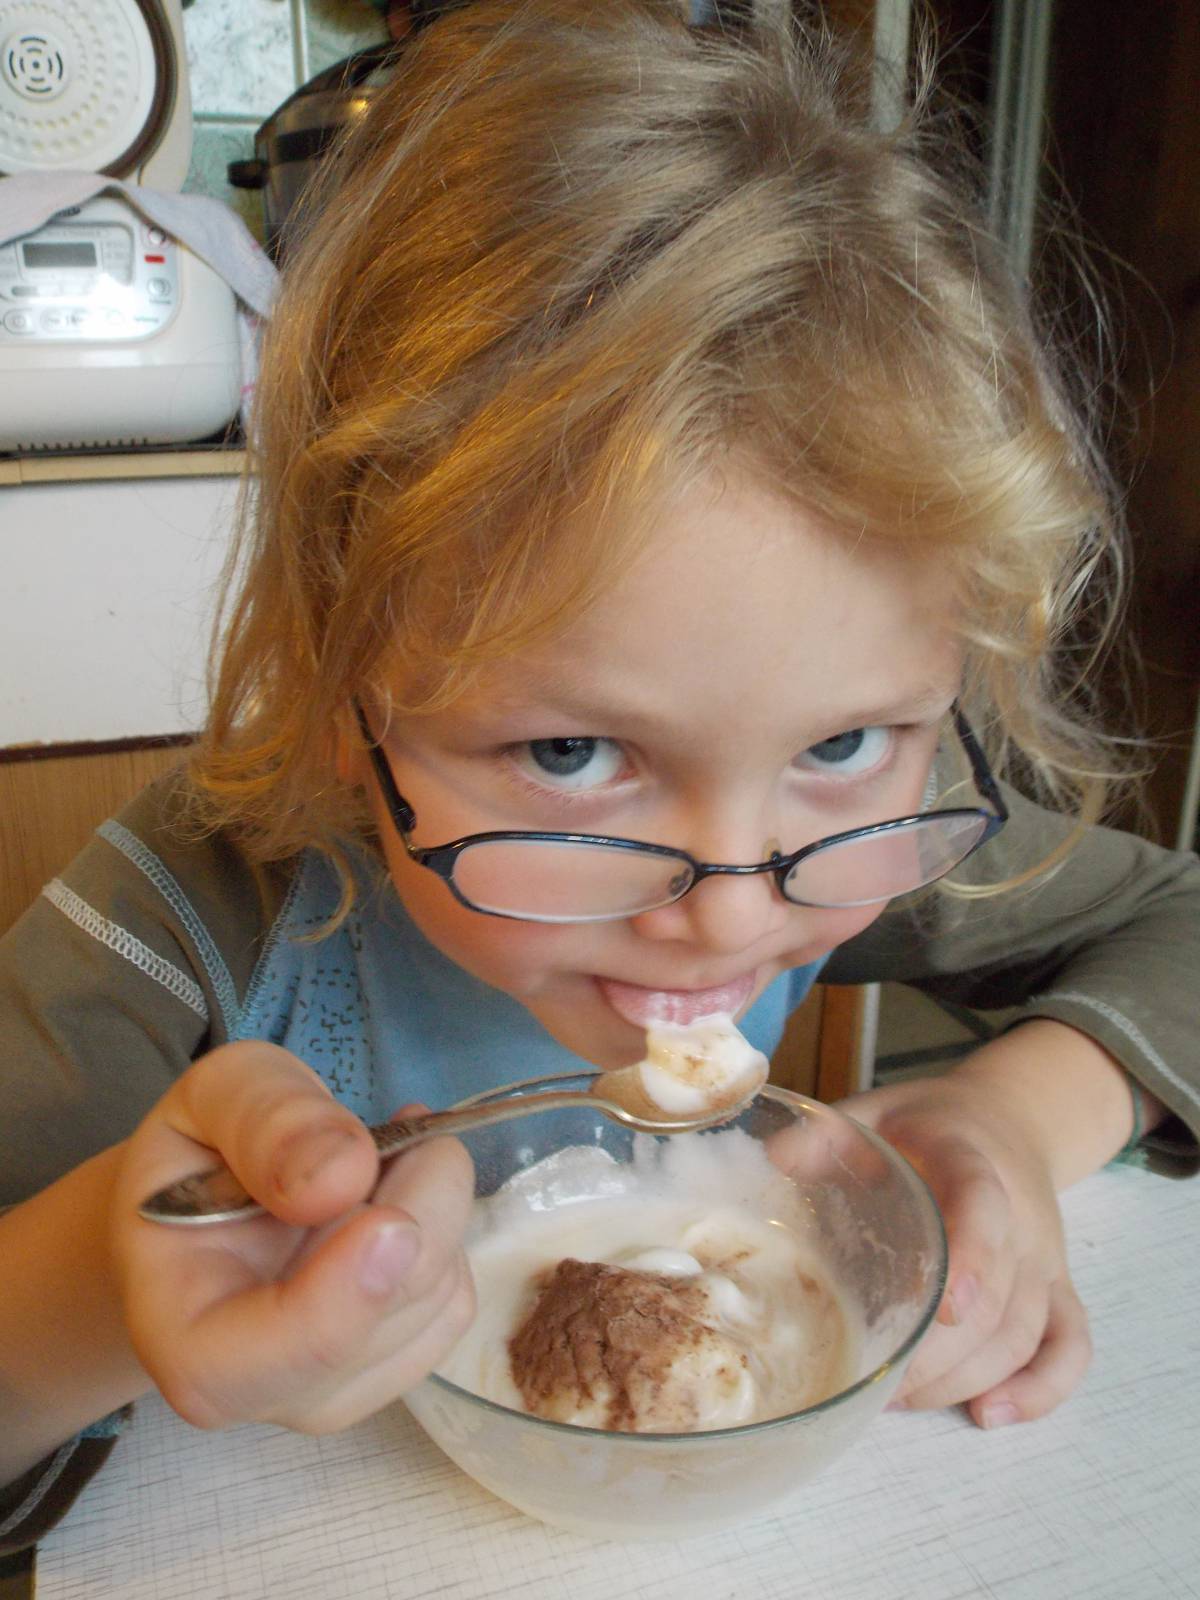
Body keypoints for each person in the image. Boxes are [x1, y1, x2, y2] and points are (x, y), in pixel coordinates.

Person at [2, 0, 1198, 1554]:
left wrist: (1010, 1121)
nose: (732, 917)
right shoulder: (173, 928)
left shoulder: (861, 845)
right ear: (337, 685)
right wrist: (93, 1292)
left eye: (841, 740)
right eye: (571, 754)